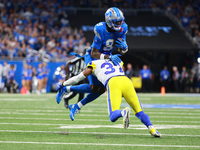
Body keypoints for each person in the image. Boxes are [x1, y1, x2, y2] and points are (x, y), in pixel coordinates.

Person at [56, 59, 161, 138]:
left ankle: (123, 113)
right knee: (139, 111)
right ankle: (152, 129)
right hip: (126, 81)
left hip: (113, 82)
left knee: (112, 115)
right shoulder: (115, 59)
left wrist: (64, 84)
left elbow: (78, 78)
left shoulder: (93, 63)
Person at [56, 7, 129, 120]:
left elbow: (121, 51)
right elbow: (94, 53)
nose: (120, 24)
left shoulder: (122, 28)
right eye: (117, 22)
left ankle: (73, 101)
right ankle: (65, 88)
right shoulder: (101, 29)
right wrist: (109, 57)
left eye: (121, 21)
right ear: (109, 21)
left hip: (106, 58)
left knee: (99, 89)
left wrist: (124, 48)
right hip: (92, 57)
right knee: (94, 87)